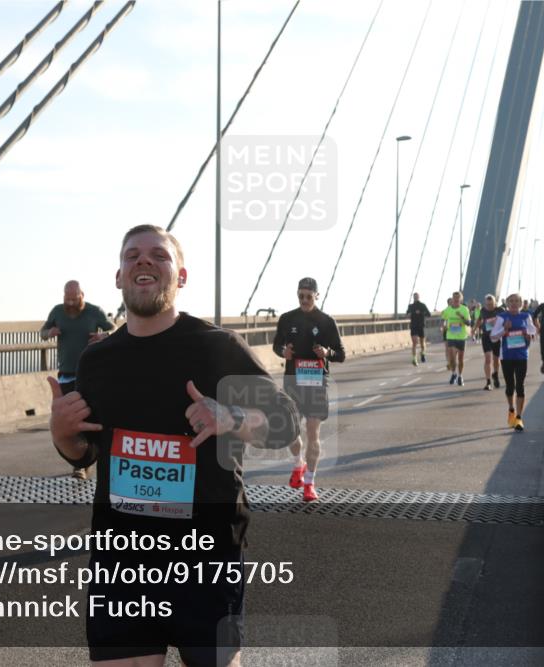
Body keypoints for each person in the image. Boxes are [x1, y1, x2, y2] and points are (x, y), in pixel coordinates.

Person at [48, 225, 300, 666]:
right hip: (121, 561)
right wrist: (61, 434)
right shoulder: (97, 361)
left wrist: (232, 418)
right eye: (132, 256)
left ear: (180, 277)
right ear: (119, 277)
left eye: (159, 256)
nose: (143, 261)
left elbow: (286, 423)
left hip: (206, 561)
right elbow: (86, 453)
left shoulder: (218, 348)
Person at [273, 277, 346, 502]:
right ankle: (299, 464)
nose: (304, 300)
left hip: (316, 382)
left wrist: (327, 353)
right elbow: (276, 345)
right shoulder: (287, 319)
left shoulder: (326, 321)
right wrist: (282, 352)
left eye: (308, 296)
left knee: (313, 433)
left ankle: (310, 483)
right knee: (291, 433)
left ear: (317, 295)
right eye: (300, 296)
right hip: (293, 381)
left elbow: (341, 354)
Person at [41, 280, 114, 479]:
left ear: (82, 295)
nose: (71, 303)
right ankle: (79, 465)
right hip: (66, 374)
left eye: (74, 298)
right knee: (73, 420)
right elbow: (43, 333)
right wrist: (50, 332)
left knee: (90, 417)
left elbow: (115, 330)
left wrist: (104, 336)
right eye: (67, 299)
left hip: (91, 374)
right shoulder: (57, 311)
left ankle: (94, 459)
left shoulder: (94, 312)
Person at [489, 293, 537, 431]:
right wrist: (505, 329)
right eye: (511, 301)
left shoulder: (525, 316)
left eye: (517, 301)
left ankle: (519, 418)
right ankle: (511, 409)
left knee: (520, 385)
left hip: (522, 355)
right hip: (507, 356)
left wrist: (529, 334)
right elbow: (493, 337)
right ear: (507, 303)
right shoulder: (502, 317)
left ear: (521, 303)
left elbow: (532, 330)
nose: (514, 303)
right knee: (510, 386)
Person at [472, 294, 504, 391]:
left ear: (495, 303)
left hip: (497, 337)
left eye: (491, 304)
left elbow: (507, 319)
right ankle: (488, 382)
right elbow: (479, 320)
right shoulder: (483, 311)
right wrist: (473, 330)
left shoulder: (500, 310)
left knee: (496, 359)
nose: (489, 306)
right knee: (488, 359)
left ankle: (496, 374)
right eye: (487, 304)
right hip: (486, 337)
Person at [441, 291, 472, 386]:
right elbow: (443, 319)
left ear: (461, 299)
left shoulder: (464, 309)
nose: (456, 299)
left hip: (461, 337)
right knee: (452, 359)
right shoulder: (448, 310)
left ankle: (460, 376)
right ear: (452, 299)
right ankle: (454, 374)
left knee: (461, 359)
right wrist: (443, 326)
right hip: (451, 336)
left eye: (458, 298)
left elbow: (469, 323)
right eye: (454, 298)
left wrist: (461, 317)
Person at [406, 293, 430, 366]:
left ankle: (423, 353)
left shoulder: (422, 305)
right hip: (413, 326)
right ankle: (414, 359)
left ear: (419, 297)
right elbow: (407, 314)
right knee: (415, 342)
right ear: (413, 297)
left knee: (422, 343)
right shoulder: (411, 306)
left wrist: (421, 313)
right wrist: (410, 314)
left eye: (417, 297)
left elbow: (429, 314)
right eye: (415, 297)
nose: (416, 298)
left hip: (421, 326)